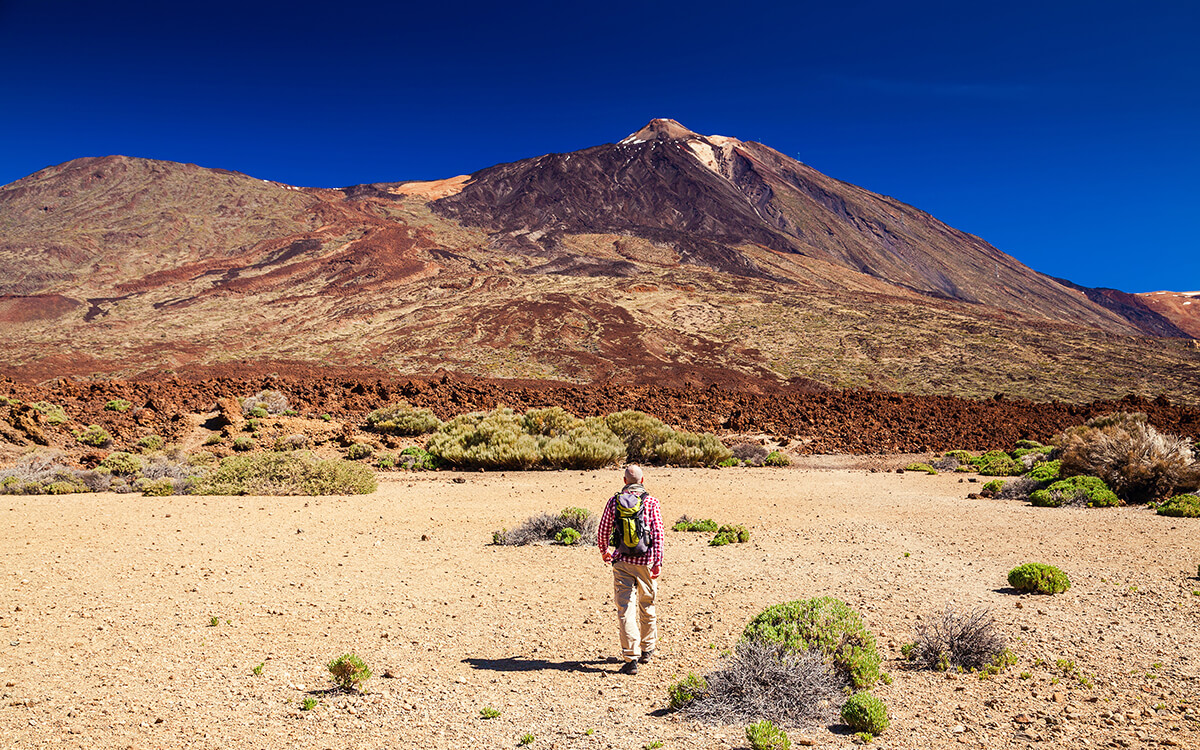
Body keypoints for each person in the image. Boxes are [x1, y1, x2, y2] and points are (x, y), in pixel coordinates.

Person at [597, 464, 663, 675]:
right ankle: (648, 649)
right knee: (647, 604)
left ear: (624, 481)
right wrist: (658, 561)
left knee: (625, 609)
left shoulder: (614, 502)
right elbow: (658, 533)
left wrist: (604, 551)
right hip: (645, 562)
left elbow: (603, 529)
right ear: (642, 481)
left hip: (622, 562)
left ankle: (631, 657)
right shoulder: (651, 502)